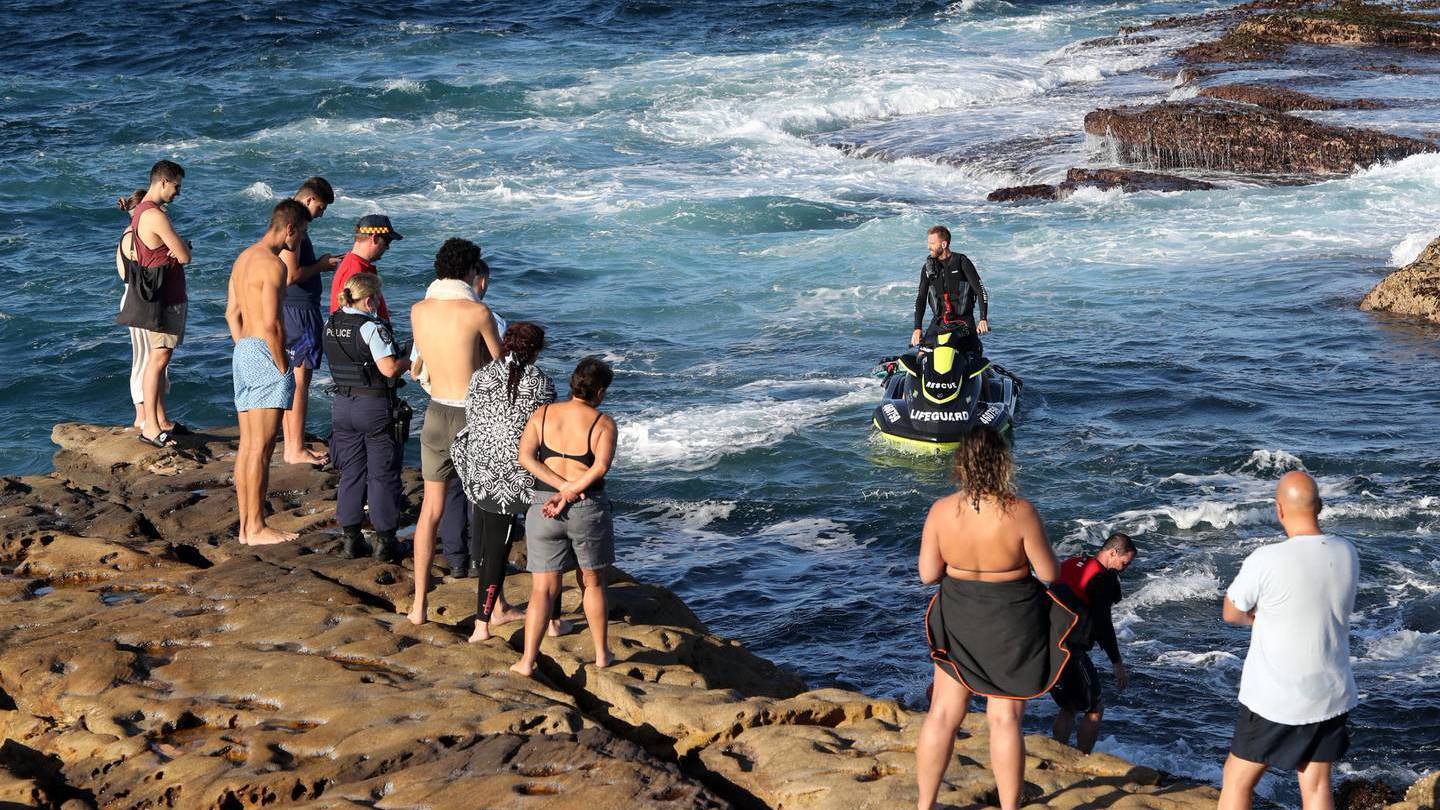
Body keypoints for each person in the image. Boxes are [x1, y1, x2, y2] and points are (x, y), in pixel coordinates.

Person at [915, 427, 1074, 810]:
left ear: (961, 463)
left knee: (942, 715)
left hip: (960, 617)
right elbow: (1049, 574)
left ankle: (924, 805)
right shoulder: (1020, 512)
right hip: (1012, 622)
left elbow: (927, 574)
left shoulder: (941, 511)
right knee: (1004, 719)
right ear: (1003, 462)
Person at [1219, 471, 1358, 810]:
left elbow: (1231, 613)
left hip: (1277, 697)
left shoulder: (1266, 559)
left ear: (1279, 510)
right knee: (1316, 786)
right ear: (1321, 507)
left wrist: (1261, 620)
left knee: (1237, 781)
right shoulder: (1347, 552)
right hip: (1331, 692)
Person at [406, 238, 502, 626]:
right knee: (486, 508)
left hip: (435, 413)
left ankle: (418, 607)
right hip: (471, 415)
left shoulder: (418, 311)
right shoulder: (477, 312)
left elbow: (422, 360)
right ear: (470, 271)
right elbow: (501, 366)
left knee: (430, 511)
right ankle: (492, 611)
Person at [511, 357, 618, 677]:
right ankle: (602, 655)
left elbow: (525, 457)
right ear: (599, 391)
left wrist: (559, 490)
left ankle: (527, 661)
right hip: (588, 507)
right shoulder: (603, 423)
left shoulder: (542, 414)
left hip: (543, 507)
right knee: (593, 582)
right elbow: (599, 467)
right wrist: (570, 492)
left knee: (542, 589)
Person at [452, 322, 556, 641]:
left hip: (480, 470)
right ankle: (484, 625)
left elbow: (472, 415)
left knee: (487, 546)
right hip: (516, 478)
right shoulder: (541, 381)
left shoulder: (481, 375)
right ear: (535, 351)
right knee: (525, 547)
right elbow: (546, 431)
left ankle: (496, 611)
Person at [225, 200, 311, 545]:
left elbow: (232, 313)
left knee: (247, 448)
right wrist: (280, 364)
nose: (302, 240)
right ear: (289, 228)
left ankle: (246, 528)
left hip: (243, 351)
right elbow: (274, 324)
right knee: (261, 449)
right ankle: (257, 527)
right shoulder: (273, 266)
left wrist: (244, 348)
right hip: (264, 353)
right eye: (302, 232)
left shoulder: (243, 258)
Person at [324, 273, 411, 562]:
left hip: (341, 405)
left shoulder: (331, 323)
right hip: (372, 406)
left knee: (351, 471)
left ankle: (351, 539)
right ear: (371, 299)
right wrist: (410, 357)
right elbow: (388, 369)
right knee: (381, 475)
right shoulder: (371, 328)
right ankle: (385, 542)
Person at [436, 256, 505, 579]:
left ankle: (456, 559)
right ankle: (480, 560)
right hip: (475, 409)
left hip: (438, 405)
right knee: (479, 489)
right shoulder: (487, 317)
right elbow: (501, 367)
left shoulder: (431, 314)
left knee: (449, 487)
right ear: (480, 281)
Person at [119, 160, 192, 448]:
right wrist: (182, 249)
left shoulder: (139, 213)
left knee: (159, 359)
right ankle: (150, 426)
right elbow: (183, 255)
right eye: (176, 186)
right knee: (158, 359)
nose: (178, 192)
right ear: (163, 182)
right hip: (165, 297)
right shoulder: (155, 215)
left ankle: (159, 420)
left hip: (161, 295)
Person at [1050, 532, 1138, 754]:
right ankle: (1082, 760)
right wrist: (1117, 663)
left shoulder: (1070, 563)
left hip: (1047, 643)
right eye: (1124, 563)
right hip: (1069, 649)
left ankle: (1057, 756)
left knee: (1069, 706)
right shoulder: (1100, 579)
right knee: (1095, 708)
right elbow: (1104, 625)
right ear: (1112, 553)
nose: (1124, 569)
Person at [280, 177, 342, 466]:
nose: (321, 213)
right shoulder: (294, 230)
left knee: (292, 379)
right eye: (321, 206)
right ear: (307, 200)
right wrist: (322, 265)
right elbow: (291, 274)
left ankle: (293, 445)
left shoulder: (286, 223)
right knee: (300, 380)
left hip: (293, 310)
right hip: (298, 311)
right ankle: (294, 449)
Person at [911, 225, 989, 355]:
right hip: (939, 322)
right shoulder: (928, 268)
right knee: (921, 355)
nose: (928, 247)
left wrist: (982, 319)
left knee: (971, 357)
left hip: (963, 322)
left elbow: (981, 291)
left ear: (944, 244)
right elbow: (921, 298)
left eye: (932, 243)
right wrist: (917, 328)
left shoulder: (961, 262)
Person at [329, 214, 400, 321]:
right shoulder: (355, 272)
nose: (388, 247)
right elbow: (351, 320)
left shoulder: (354, 264)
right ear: (375, 238)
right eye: (387, 241)